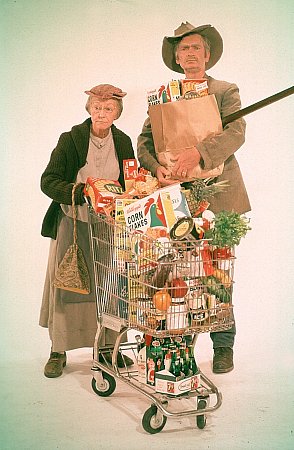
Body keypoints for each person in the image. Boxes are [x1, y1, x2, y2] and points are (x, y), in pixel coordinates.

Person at [137, 22, 251, 373]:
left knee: (218, 271)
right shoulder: (163, 94)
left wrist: (198, 153)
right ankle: (177, 342)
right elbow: (144, 139)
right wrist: (156, 167)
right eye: (183, 49)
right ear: (176, 56)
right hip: (176, 199)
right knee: (176, 274)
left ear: (207, 54)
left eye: (195, 48)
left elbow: (237, 131)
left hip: (220, 197)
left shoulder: (225, 90)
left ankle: (223, 345)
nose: (190, 54)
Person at [40, 84, 135, 378]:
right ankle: (58, 350)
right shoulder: (70, 139)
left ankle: (108, 348)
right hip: (73, 219)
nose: (102, 113)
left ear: (117, 113)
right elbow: (48, 181)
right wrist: (82, 191)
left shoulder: (124, 141)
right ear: (89, 109)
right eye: (97, 107)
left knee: (110, 287)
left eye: (108, 108)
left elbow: (131, 179)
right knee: (68, 283)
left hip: (109, 225)